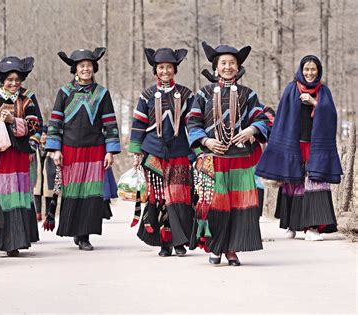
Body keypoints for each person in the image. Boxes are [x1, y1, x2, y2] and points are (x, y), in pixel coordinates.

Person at [187, 42, 270, 266]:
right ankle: (216, 247)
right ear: (215, 68)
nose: (227, 67)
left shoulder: (248, 94)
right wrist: (206, 141)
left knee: (238, 206)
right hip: (213, 160)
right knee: (215, 205)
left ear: (238, 67)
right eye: (223, 63)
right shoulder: (203, 94)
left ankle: (232, 249)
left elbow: (262, 119)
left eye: (232, 63)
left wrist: (251, 130)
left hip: (240, 161)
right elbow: (192, 122)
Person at [256, 55, 342, 241]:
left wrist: (314, 103)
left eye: (313, 70)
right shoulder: (291, 89)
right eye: (306, 69)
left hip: (315, 146)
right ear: (301, 70)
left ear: (318, 71)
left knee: (315, 182)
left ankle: (312, 228)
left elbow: (331, 116)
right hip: (294, 145)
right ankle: (292, 225)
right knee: (293, 183)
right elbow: (282, 118)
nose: (310, 73)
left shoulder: (323, 91)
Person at [45, 47, 121, 250]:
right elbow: (55, 122)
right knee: (73, 191)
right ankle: (75, 231)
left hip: (95, 149)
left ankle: (85, 235)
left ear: (93, 68)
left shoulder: (102, 94)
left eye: (89, 66)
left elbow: (110, 124)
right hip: (70, 149)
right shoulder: (64, 92)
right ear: (75, 69)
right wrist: (55, 149)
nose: (86, 69)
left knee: (91, 193)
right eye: (82, 66)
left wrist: (110, 151)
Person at [129, 47, 194, 257]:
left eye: (169, 67)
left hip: (179, 152)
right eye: (161, 68)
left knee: (178, 196)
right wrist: (136, 152)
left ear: (175, 70)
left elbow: (192, 124)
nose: (165, 71)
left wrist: (198, 151)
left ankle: (179, 242)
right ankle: (164, 243)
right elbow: (138, 124)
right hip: (153, 152)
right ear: (155, 71)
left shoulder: (185, 94)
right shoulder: (146, 95)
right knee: (158, 197)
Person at [0, 56, 40, 256]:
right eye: (9, 79)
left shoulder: (28, 98)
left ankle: (18, 239)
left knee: (20, 194)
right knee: (3, 194)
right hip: (1, 156)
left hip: (21, 154)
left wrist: (14, 120)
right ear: (1, 80)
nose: (14, 83)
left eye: (17, 79)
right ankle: (3, 240)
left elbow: (36, 124)